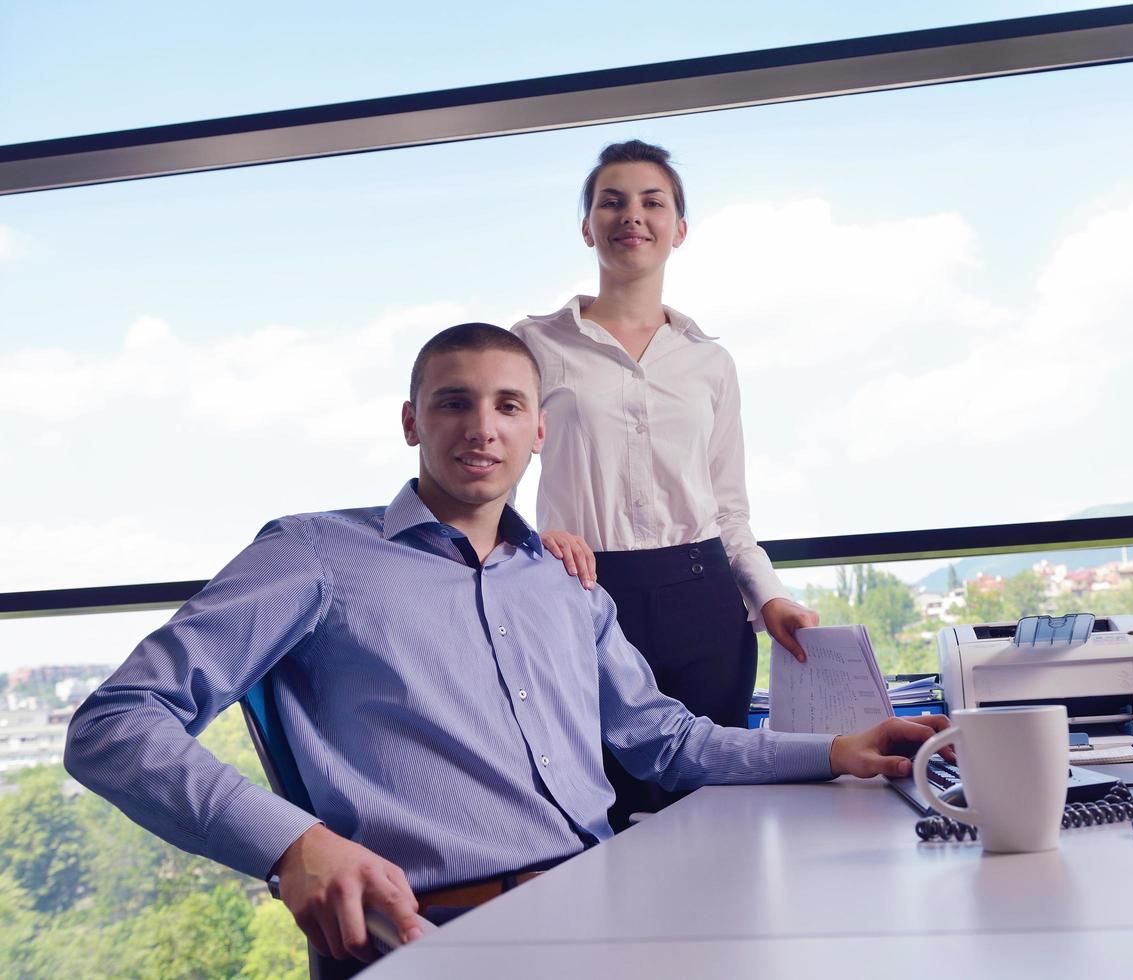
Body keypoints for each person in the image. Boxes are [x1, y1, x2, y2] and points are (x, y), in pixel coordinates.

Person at [64, 322, 948, 967]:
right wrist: (293, 843)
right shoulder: (314, 554)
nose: (480, 427)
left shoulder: (565, 582)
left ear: (539, 432)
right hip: (424, 938)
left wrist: (838, 749)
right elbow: (115, 723)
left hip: (606, 916)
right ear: (411, 422)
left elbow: (666, 742)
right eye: (452, 403)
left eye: (507, 405)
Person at [512, 140, 819, 826]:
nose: (633, 216)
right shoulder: (532, 344)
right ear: (586, 226)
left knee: (714, 808)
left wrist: (768, 598)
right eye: (612, 202)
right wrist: (528, 542)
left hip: (704, 601)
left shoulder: (709, 363)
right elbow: (491, 476)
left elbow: (730, 510)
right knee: (597, 809)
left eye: (653, 203)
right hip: (582, 595)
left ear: (678, 229)